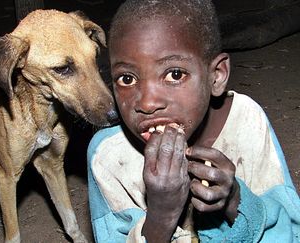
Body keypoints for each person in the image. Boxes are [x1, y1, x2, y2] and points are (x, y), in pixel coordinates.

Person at [86, 0, 300, 242]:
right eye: (126, 79)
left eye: (174, 74)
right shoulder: (107, 156)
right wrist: (160, 218)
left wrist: (236, 202)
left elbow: (290, 233)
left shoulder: (246, 122)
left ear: (216, 76)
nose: (147, 103)